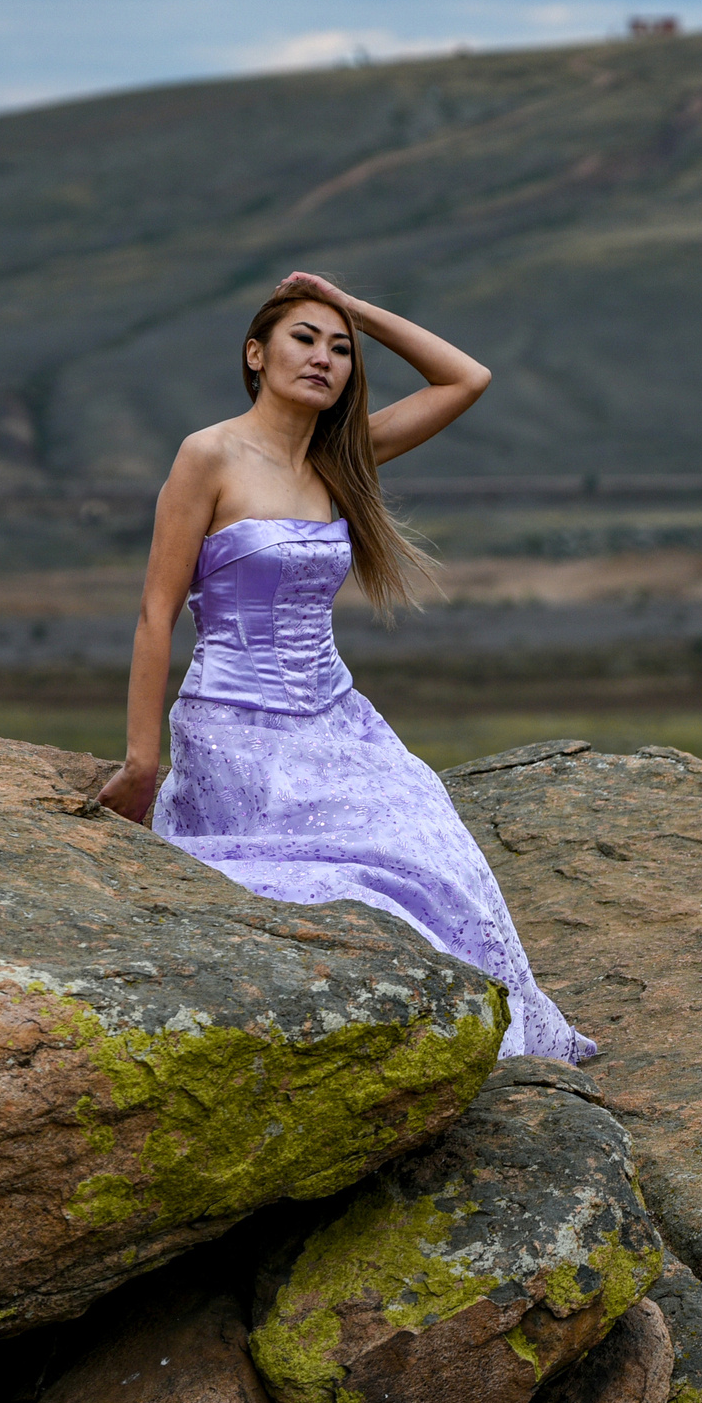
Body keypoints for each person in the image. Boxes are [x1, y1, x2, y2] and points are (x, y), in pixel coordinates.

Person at [94, 272, 593, 1063]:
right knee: (339, 889)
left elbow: (467, 378)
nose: (324, 357)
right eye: (304, 338)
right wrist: (142, 763)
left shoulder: (339, 460)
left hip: (339, 719)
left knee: (434, 847)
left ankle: (491, 1034)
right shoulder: (208, 455)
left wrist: (355, 308)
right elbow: (157, 612)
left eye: (340, 348)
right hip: (237, 729)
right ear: (255, 354)